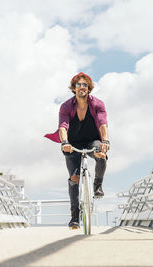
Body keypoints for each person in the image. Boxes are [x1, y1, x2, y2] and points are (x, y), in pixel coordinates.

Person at [45, 72, 110, 228]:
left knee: (101, 155)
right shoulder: (66, 106)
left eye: (85, 85)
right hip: (72, 143)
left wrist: (105, 141)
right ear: (74, 88)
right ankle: (75, 217)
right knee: (74, 178)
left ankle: (97, 185)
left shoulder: (98, 104)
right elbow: (62, 127)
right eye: (79, 85)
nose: (82, 87)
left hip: (91, 141)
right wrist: (65, 142)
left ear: (89, 88)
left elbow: (103, 125)